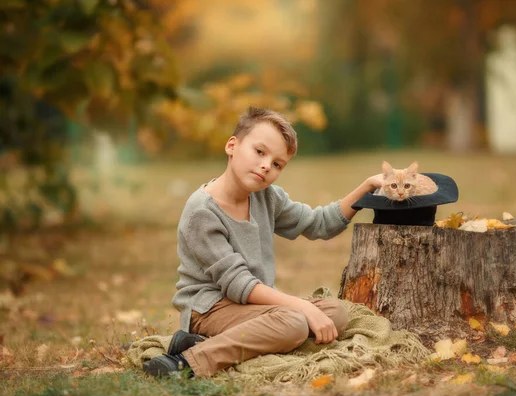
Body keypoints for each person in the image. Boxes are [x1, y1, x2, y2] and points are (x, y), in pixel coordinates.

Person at [143, 107, 383, 378]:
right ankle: (191, 360)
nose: (267, 165)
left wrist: (367, 187)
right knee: (294, 323)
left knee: (334, 314)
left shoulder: (266, 197)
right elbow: (238, 285)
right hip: (209, 309)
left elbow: (319, 224)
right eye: (260, 152)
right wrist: (301, 306)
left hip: (250, 306)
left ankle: (218, 342)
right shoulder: (202, 212)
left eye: (277, 163)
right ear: (232, 145)